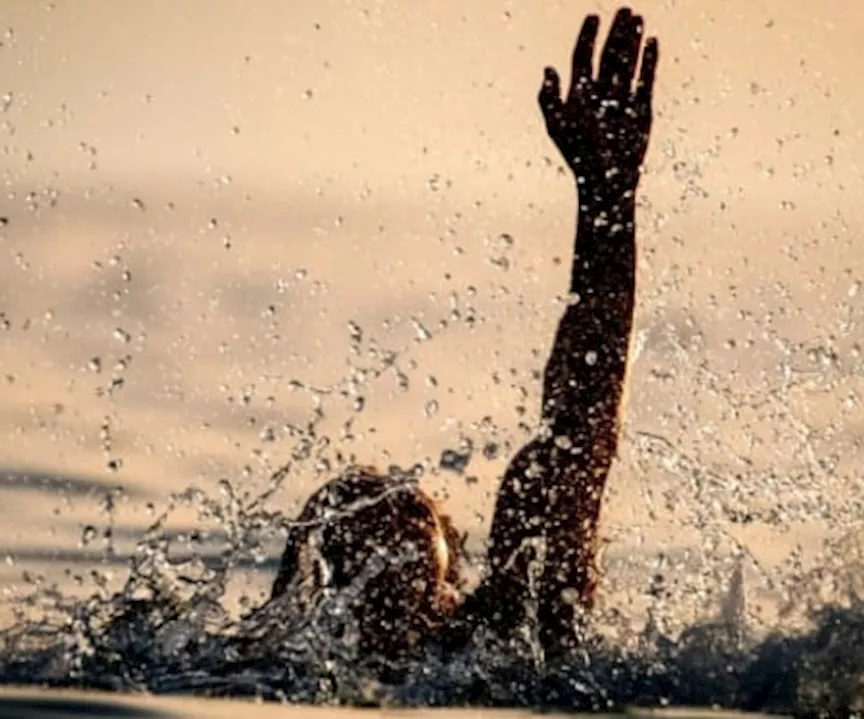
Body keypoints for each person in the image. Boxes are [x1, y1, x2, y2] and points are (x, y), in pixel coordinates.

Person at [266, 7, 658, 660]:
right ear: (317, 574)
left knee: (538, 478)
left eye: (416, 511)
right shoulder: (258, 670)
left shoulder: (499, 632)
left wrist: (606, 200)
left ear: (451, 563)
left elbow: (582, 433)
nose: (392, 517)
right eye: (361, 511)